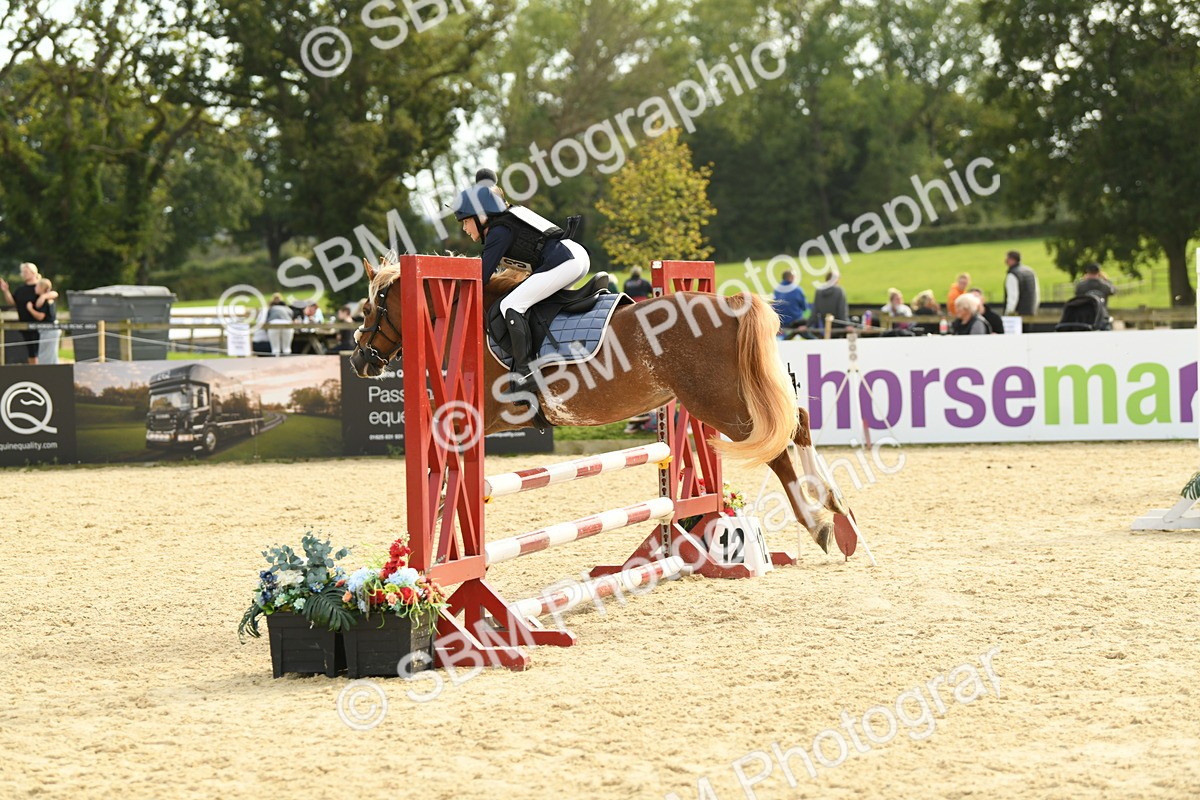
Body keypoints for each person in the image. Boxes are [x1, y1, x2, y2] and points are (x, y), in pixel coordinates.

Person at [451, 184, 590, 394]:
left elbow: (481, 277)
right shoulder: (505, 224)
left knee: (510, 305)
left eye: (466, 221)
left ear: (481, 216)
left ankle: (526, 374)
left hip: (565, 261)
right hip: (574, 256)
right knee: (531, 305)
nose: (464, 228)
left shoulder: (499, 231)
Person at [1, 262, 42, 363]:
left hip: (39, 326)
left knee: (39, 352)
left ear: (33, 272)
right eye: (22, 272)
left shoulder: (40, 287)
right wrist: (6, 291)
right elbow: (12, 302)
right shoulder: (21, 289)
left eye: (26, 272)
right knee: (31, 352)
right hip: (25, 325)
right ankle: (33, 371)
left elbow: (52, 295)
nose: (23, 274)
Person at [26, 277, 60, 363]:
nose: (35, 288)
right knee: (50, 354)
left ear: (42, 288)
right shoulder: (43, 298)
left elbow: (41, 316)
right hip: (49, 329)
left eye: (37, 286)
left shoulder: (45, 300)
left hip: (49, 329)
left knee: (47, 356)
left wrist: (30, 309)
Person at [808, 270, 849, 336]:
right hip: (839, 328)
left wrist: (807, 325)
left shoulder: (818, 291)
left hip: (825, 327)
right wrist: (847, 325)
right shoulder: (839, 290)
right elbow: (842, 311)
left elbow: (814, 312)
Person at [1003, 250, 1040, 315]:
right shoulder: (1031, 271)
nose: (1005, 261)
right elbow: (1037, 293)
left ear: (1012, 259)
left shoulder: (1012, 275)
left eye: (1007, 258)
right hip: (1031, 313)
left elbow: (1013, 298)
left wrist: (1008, 314)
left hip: (1018, 315)